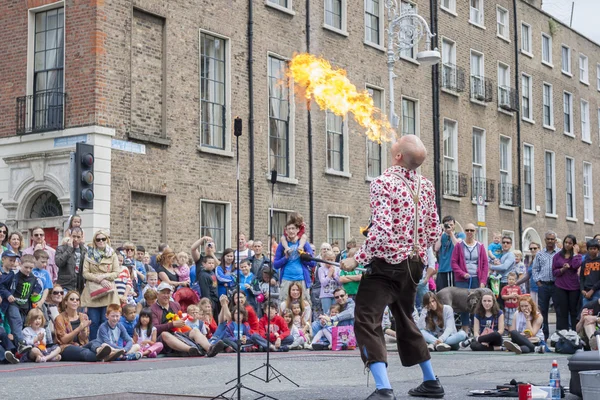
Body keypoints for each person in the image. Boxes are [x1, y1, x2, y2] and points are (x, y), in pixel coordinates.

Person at [341, 135, 444, 399]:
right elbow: (434, 229)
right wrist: (417, 250)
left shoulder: (383, 182)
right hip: (414, 266)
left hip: (386, 267)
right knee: (405, 318)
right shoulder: (426, 185)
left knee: (366, 319)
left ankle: (384, 389)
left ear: (398, 156)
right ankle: (431, 381)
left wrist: (357, 259)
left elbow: (383, 232)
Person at [151, 282, 225, 357]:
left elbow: (183, 320)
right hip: (163, 339)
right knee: (165, 334)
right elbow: (155, 328)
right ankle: (191, 350)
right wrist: (172, 324)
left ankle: (210, 349)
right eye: (163, 293)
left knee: (195, 330)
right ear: (157, 294)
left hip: (178, 333)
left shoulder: (175, 305)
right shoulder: (153, 308)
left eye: (168, 293)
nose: (166, 295)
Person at [80, 230, 121, 341]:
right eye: (98, 239)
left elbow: (116, 272)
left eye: (103, 239)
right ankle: (94, 344)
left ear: (107, 240)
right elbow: (85, 273)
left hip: (108, 291)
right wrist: (98, 279)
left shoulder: (112, 254)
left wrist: (103, 277)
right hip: (93, 292)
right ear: (95, 241)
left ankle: (107, 345)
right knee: (94, 322)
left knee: (106, 320)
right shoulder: (89, 254)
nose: (101, 241)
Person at [54, 290, 114, 362]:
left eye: (77, 299)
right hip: (66, 347)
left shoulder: (83, 316)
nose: (75, 301)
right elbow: (63, 340)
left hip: (81, 346)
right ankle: (106, 356)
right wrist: (79, 328)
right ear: (66, 302)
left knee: (95, 341)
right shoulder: (59, 318)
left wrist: (83, 330)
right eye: (72, 299)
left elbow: (84, 338)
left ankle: (99, 351)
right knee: (86, 353)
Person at [450, 223, 488, 333]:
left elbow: (485, 265)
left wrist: (483, 281)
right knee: (463, 303)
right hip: (462, 279)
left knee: (477, 303)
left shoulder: (480, 246)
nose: (469, 232)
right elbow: (453, 262)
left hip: (476, 278)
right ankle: (465, 327)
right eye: (467, 230)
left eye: (472, 230)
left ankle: (476, 327)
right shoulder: (459, 245)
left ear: (475, 231)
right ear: (464, 231)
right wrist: (462, 273)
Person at [0, 254, 42, 353]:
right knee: (16, 321)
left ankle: (18, 349)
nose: (28, 270)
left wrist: (36, 290)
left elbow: (39, 285)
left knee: (23, 325)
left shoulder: (33, 277)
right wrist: (7, 295)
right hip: (13, 303)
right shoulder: (13, 275)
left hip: (25, 306)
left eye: (31, 268)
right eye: (26, 267)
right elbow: (1, 285)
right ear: (20, 264)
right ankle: (21, 344)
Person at [273, 215, 316, 306]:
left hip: (301, 279)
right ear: (286, 231)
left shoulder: (304, 243)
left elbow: (313, 263)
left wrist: (303, 256)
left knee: (304, 305)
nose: (291, 231)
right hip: (286, 279)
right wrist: (285, 258)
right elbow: (276, 264)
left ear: (297, 230)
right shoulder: (282, 244)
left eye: (293, 228)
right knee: (284, 305)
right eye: (289, 229)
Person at [531, 231, 559, 340]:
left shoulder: (559, 253)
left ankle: (558, 335)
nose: (550, 241)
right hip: (543, 285)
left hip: (557, 285)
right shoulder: (539, 254)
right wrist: (538, 282)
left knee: (559, 310)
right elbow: (535, 269)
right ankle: (544, 335)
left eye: (552, 239)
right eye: (548, 239)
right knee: (543, 311)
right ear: (545, 240)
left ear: (555, 240)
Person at [552, 235, 582, 331]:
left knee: (573, 311)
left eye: (570, 243)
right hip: (560, 286)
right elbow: (554, 272)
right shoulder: (557, 256)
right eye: (566, 242)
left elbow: (576, 265)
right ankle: (562, 334)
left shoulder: (578, 256)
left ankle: (574, 333)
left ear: (574, 245)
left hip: (574, 287)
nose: (567, 245)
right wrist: (563, 269)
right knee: (562, 312)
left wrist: (576, 253)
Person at [434, 215, 465, 291]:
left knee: (451, 292)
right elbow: (436, 248)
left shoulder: (460, 235)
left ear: (454, 225)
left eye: (451, 225)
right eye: (447, 225)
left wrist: (451, 233)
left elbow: (457, 245)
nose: (449, 226)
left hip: (452, 269)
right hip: (442, 269)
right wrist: (440, 233)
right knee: (441, 292)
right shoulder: (442, 236)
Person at [55, 227, 86, 293]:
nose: (75, 239)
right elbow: (59, 263)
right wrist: (69, 248)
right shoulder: (61, 248)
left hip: (79, 286)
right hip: (65, 285)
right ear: (70, 236)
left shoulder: (84, 250)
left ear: (82, 237)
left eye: (78, 237)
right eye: (73, 236)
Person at [489, 236, 516, 308]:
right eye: (503, 242)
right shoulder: (500, 254)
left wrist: (491, 266)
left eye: (508, 242)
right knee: (498, 305)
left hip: (506, 283)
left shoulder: (510, 255)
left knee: (505, 307)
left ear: (511, 245)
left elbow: (504, 267)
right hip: (498, 282)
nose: (505, 244)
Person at [318, 250, 341, 315]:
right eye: (328, 259)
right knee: (327, 313)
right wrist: (329, 275)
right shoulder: (321, 269)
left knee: (336, 312)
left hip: (336, 295)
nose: (330, 261)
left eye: (332, 259)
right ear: (324, 259)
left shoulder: (337, 269)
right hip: (325, 295)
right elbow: (323, 283)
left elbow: (340, 282)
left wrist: (334, 276)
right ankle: (327, 325)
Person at [580, 239, 600, 305]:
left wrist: (592, 290)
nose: (592, 250)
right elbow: (582, 277)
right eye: (590, 248)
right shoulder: (584, 262)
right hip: (586, 292)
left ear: (598, 249)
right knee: (585, 312)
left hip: (597, 291)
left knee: (595, 313)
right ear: (587, 250)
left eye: (595, 248)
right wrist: (582, 289)